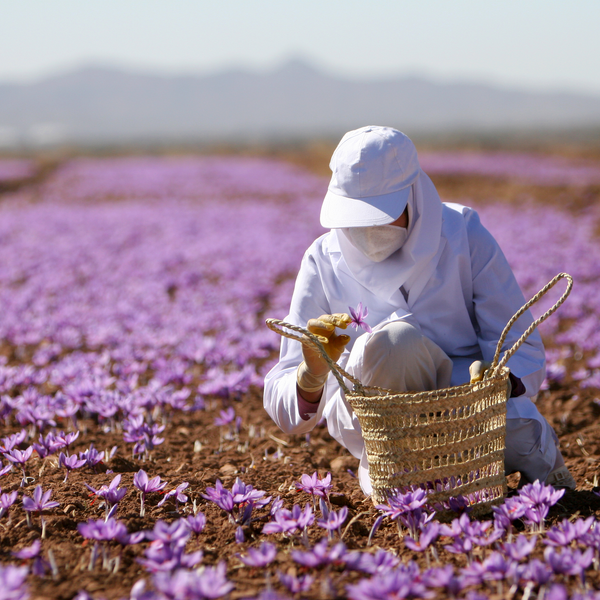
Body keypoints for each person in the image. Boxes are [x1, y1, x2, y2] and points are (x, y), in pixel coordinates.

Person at [264, 125, 575, 495]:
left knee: (522, 435)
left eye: (380, 216)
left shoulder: (463, 234)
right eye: (353, 219)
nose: (366, 232)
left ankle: (539, 464)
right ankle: (413, 473)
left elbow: (521, 346)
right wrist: (309, 377)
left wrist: (500, 382)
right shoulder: (322, 260)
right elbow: (283, 402)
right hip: (383, 426)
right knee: (395, 344)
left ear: (414, 196)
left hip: (468, 407)